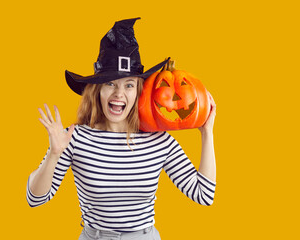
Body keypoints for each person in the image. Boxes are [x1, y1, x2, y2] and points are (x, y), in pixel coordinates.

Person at [26, 17, 216, 240]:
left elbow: (203, 194)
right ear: (96, 90)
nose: (119, 94)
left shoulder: (159, 140)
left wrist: (206, 132)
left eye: (128, 85)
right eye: (110, 84)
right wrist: (53, 154)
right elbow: (35, 199)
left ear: (139, 92)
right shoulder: (73, 138)